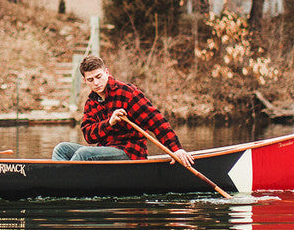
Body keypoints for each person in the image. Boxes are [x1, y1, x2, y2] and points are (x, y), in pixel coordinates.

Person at [52, 55, 195, 166]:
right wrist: (109, 123)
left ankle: (66, 185)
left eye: (99, 77)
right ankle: (57, 182)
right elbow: (89, 136)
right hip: (105, 150)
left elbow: (155, 120)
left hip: (129, 151)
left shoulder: (126, 92)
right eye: (90, 80)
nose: (96, 83)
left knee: (84, 154)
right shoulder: (91, 102)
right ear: (84, 80)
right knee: (61, 148)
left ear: (106, 72)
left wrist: (176, 149)